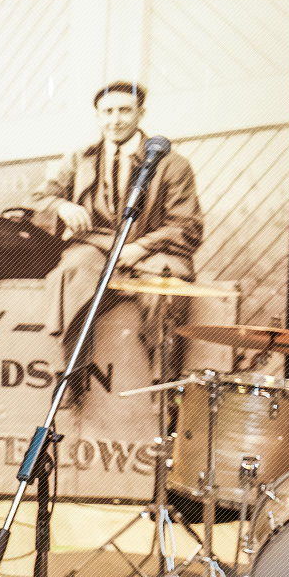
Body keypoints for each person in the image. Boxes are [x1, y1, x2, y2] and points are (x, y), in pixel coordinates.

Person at [26, 81, 203, 387]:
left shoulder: (172, 164)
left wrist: (139, 248)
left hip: (153, 249)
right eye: (107, 112)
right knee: (70, 273)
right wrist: (61, 206)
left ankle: (162, 391)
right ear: (97, 116)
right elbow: (37, 199)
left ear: (140, 114)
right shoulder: (80, 159)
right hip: (96, 246)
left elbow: (186, 224)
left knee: (164, 293)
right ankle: (73, 378)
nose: (115, 120)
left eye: (124, 110)